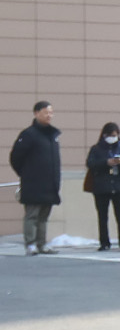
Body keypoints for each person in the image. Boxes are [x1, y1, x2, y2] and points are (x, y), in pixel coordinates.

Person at [10, 101, 61, 255]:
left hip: (49, 183)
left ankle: (42, 243)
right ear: (36, 113)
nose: (49, 116)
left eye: (51, 113)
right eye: (46, 112)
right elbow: (15, 157)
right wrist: (26, 174)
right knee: (32, 214)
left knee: (44, 216)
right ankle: (30, 244)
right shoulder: (29, 134)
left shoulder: (53, 135)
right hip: (33, 182)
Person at [85, 122, 120, 252]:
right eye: (111, 135)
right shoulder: (96, 149)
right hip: (101, 186)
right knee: (102, 216)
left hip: (118, 186)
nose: (113, 138)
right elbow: (90, 164)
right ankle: (104, 242)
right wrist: (106, 163)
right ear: (104, 135)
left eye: (116, 135)